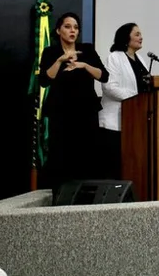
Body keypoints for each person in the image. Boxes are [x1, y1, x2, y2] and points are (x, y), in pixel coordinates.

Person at [39, 12, 109, 193]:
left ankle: (86, 195)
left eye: (76, 27)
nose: (72, 31)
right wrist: (60, 61)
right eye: (68, 27)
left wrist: (84, 65)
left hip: (86, 110)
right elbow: (45, 80)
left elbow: (104, 76)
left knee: (87, 153)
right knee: (61, 154)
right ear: (58, 30)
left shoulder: (87, 50)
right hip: (61, 112)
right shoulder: (51, 52)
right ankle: (61, 195)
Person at [99, 23, 148, 179]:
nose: (141, 37)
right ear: (126, 38)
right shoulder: (114, 57)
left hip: (135, 121)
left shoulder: (140, 59)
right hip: (115, 122)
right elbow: (109, 87)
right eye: (137, 34)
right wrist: (135, 97)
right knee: (114, 166)